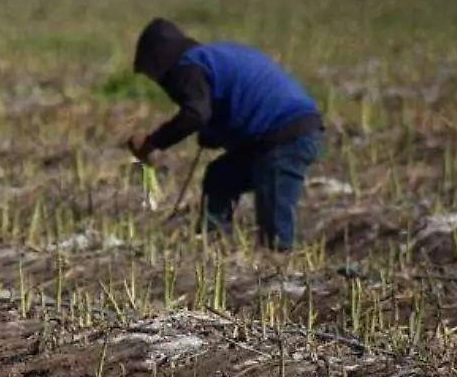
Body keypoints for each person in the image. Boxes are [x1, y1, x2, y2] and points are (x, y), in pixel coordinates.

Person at [126, 17, 324, 251]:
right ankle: (212, 248)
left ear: (160, 62)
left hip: (286, 133)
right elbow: (231, 101)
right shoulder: (210, 57)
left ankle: (282, 269)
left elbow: (195, 114)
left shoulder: (188, 67)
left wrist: (153, 142)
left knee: (275, 224)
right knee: (221, 178)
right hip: (280, 132)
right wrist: (214, 134)